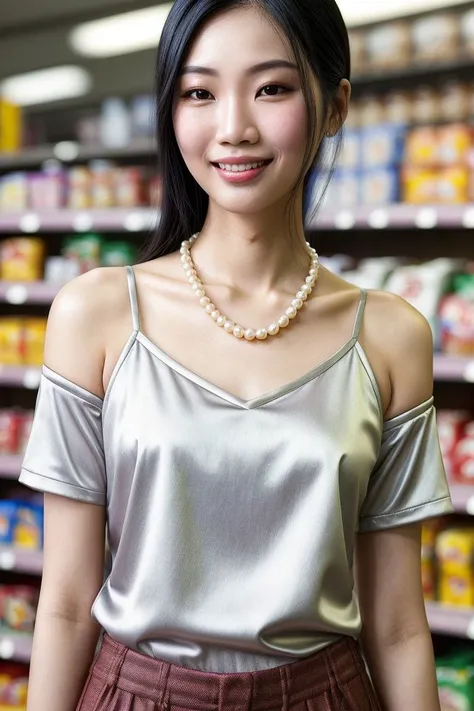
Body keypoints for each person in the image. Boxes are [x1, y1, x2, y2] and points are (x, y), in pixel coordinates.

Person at [20, 1, 453, 709]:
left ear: (335, 104)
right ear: (171, 110)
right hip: (136, 694)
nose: (233, 128)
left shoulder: (390, 334)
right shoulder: (95, 314)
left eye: (272, 88)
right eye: (199, 92)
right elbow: (66, 601)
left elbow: (400, 625)